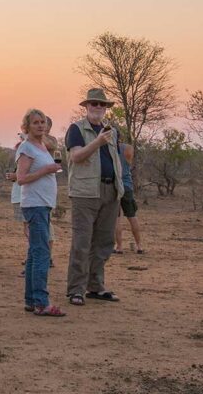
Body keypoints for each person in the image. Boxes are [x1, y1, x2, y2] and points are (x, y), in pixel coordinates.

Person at [65, 88, 124, 306]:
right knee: (82, 242)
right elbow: (76, 156)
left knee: (104, 242)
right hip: (85, 193)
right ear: (86, 106)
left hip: (110, 191)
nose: (98, 107)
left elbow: (116, 161)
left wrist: (121, 187)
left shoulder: (112, 131)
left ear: (106, 108)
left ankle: (96, 286)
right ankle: (76, 289)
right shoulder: (76, 129)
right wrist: (97, 142)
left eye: (102, 104)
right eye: (94, 104)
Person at [17, 109, 65, 316]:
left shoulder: (42, 146)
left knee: (34, 253)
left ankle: (31, 299)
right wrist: (45, 170)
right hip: (34, 204)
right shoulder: (27, 147)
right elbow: (21, 178)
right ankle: (41, 302)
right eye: (35, 122)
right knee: (42, 253)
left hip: (42, 204)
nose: (40, 125)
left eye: (42, 122)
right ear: (27, 126)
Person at [113, 143, 145, 255]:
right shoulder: (128, 148)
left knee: (117, 218)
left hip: (114, 186)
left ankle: (119, 246)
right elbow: (129, 161)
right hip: (127, 185)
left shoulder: (107, 148)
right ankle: (139, 245)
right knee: (132, 216)